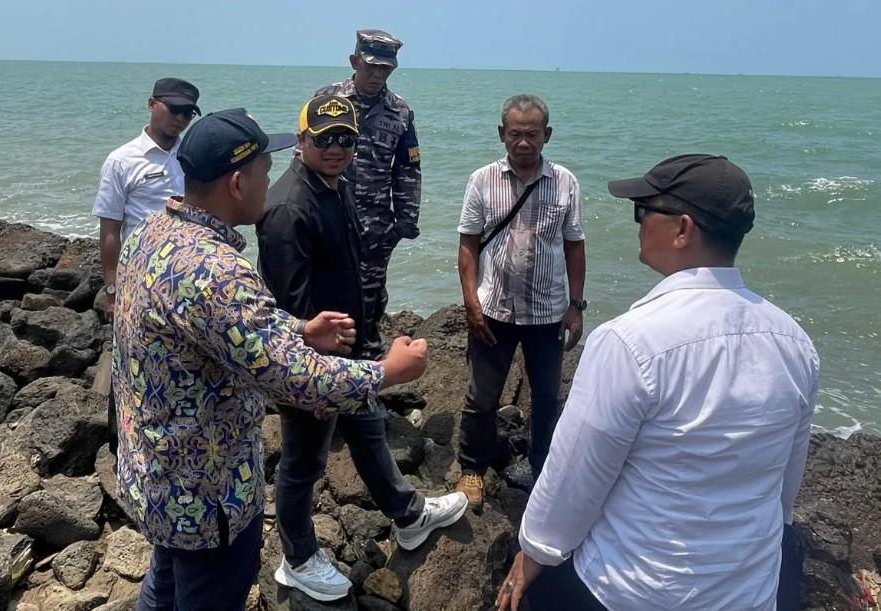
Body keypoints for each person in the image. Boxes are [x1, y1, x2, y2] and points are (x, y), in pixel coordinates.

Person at [112, 108, 430, 611]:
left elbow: (214, 328)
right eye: (264, 170)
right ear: (238, 183)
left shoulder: (151, 232)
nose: (270, 182)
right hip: (208, 495)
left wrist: (299, 329)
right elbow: (292, 377)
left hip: (156, 476)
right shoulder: (216, 271)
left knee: (165, 584)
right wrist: (389, 371)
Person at [495, 154, 820, 611]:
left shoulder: (631, 341)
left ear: (683, 229)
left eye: (644, 211)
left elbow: (575, 478)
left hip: (633, 590)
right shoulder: (795, 342)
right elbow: (785, 490)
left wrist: (533, 555)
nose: (639, 223)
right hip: (749, 590)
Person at [256, 95, 467, 603]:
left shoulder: (337, 184)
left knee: (369, 428)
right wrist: (313, 380)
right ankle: (297, 558)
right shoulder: (288, 209)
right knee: (303, 462)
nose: (335, 148)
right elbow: (289, 310)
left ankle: (409, 516)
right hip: (312, 363)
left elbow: (350, 267)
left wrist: (367, 337)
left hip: (350, 349)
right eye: (323, 138)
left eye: (345, 139)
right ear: (301, 139)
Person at [455, 94, 586, 512]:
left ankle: (542, 465)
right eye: (515, 134)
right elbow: (468, 244)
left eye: (532, 134)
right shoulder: (482, 180)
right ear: (502, 134)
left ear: (547, 135)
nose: (524, 142)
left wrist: (576, 306)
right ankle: (472, 469)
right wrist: (471, 303)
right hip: (494, 309)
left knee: (546, 397)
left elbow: (574, 245)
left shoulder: (565, 182)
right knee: (482, 397)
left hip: (547, 313)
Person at [91, 77, 200, 454]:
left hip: (186, 280)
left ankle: (173, 445)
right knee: (128, 359)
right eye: (175, 109)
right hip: (138, 280)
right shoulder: (122, 160)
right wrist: (112, 289)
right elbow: (110, 229)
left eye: (188, 113)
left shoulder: (194, 157)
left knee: (179, 363)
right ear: (152, 104)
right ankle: (119, 445)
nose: (181, 118)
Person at [313, 29, 422, 359]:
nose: (378, 75)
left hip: (375, 227)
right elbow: (304, 156)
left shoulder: (400, 111)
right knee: (325, 293)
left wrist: (404, 223)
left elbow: (408, 168)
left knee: (370, 300)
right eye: (372, 67)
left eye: (386, 69)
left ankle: (368, 365)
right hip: (328, 219)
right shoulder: (327, 100)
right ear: (355, 61)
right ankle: (326, 364)